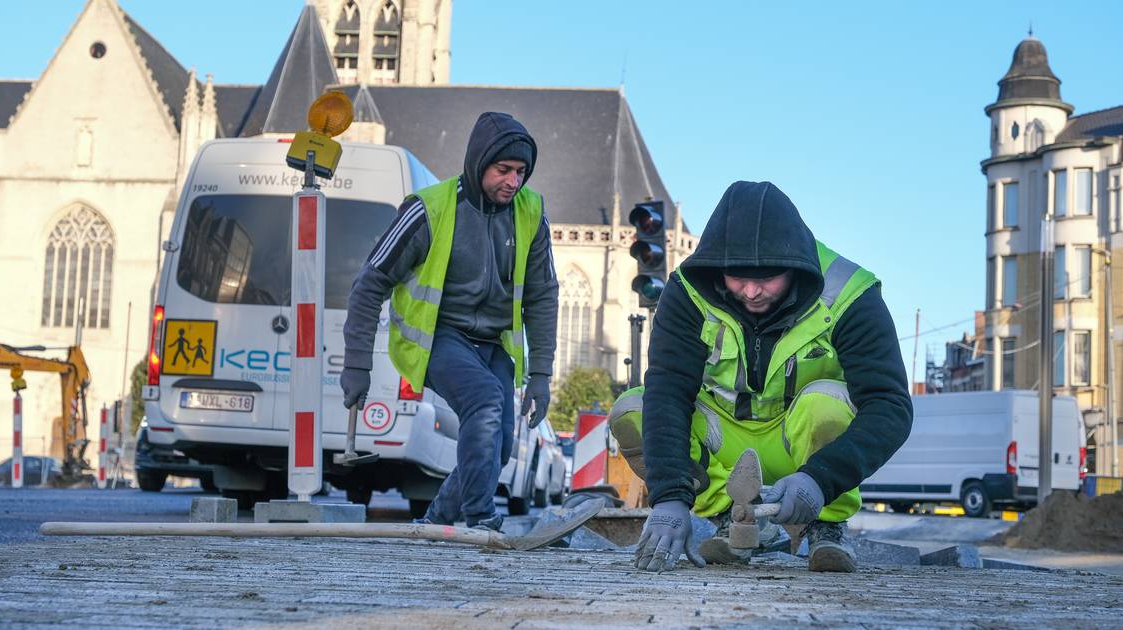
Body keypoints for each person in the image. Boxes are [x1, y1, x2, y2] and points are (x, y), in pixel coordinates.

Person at [610, 180, 912, 572]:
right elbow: (668, 393)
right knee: (631, 409)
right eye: (737, 278)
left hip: (801, 448)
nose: (751, 292)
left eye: (766, 279)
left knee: (826, 406)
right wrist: (669, 496)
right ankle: (734, 520)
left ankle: (825, 525)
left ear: (796, 266)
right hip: (726, 439)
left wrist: (821, 480)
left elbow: (890, 406)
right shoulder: (688, 291)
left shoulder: (850, 296)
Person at [342, 112, 559, 531]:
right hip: (440, 337)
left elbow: (543, 294)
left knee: (496, 449)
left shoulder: (531, 214)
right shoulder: (429, 209)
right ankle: (480, 519)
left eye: (521, 173)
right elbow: (370, 283)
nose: (513, 182)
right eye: (503, 170)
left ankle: (438, 520)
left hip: (494, 344)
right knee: (486, 402)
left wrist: (542, 374)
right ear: (479, 163)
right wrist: (356, 365)